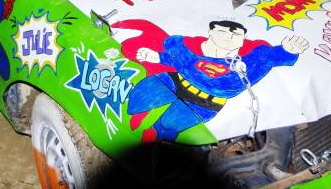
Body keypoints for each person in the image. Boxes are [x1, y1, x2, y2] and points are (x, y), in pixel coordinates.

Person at [112, 18, 308, 142]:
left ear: (243, 38)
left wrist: (288, 51)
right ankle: (135, 115)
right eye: (222, 32)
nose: (228, 37)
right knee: (140, 97)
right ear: (211, 32)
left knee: (168, 126)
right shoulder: (185, 45)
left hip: (205, 102)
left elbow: (274, 56)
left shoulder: (255, 58)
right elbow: (176, 58)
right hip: (175, 80)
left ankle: (153, 141)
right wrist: (156, 57)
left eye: (234, 34)